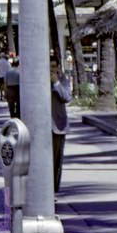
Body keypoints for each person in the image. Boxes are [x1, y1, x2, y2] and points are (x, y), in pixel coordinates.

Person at [50, 63, 72, 193]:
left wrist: (56, 83)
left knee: (57, 161)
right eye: (49, 67)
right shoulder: (38, 79)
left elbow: (67, 97)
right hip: (42, 128)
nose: (52, 70)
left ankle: (54, 189)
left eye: (54, 67)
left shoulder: (62, 80)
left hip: (58, 126)